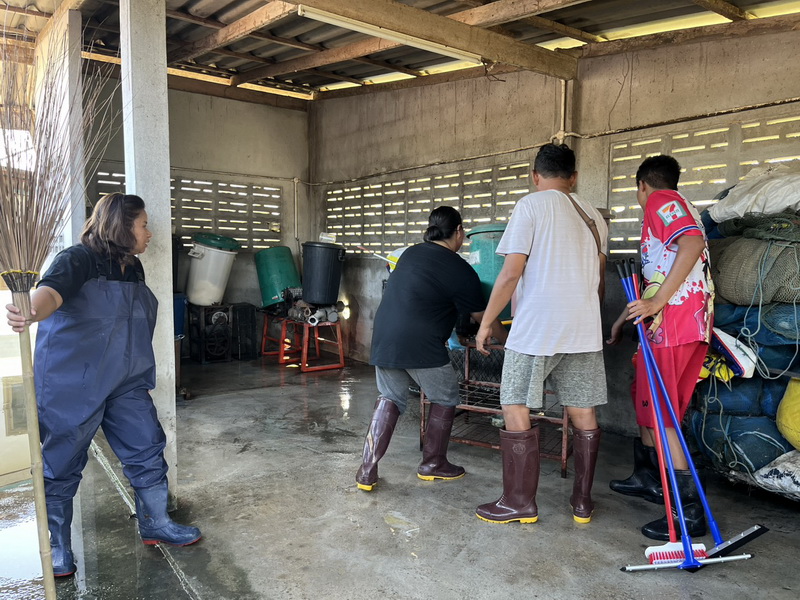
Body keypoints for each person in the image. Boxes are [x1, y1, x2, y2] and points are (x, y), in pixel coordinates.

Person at [6, 192, 201, 577]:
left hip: (125, 381)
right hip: (74, 382)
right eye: (143, 225)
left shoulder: (133, 267)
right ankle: (57, 546)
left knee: (147, 445)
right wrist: (31, 311)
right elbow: (51, 294)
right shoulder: (78, 259)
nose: (149, 233)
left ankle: (156, 522)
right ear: (121, 226)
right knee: (61, 463)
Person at [474, 143, 608, 525]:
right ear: (574, 177)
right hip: (584, 328)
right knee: (582, 409)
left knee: (515, 404)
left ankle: (519, 503)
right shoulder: (594, 218)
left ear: (535, 176)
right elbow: (598, 282)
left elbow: (510, 273)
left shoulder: (530, 206)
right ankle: (582, 503)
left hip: (537, 328)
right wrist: (588, 319)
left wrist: (486, 323)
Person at [356, 206, 508, 491]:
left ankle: (367, 469)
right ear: (459, 231)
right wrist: (507, 340)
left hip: (384, 337)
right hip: (421, 342)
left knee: (390, 397)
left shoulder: (410, 254)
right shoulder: (460, 269)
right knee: (446, 396)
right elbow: (483, 318)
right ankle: (433, 463)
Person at [606, 154, 713, 540]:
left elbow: (691, 242)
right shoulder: (680, 205)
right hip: (677, 325)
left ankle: (688, 511)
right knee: (647, 401)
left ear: (642, 185)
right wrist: (625, 317)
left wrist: (658, 303)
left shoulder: (660, 200)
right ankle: (649, 477)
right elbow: (656, 277)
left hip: (675, 326)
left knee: (663, 416)